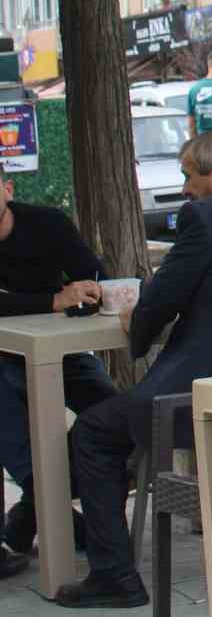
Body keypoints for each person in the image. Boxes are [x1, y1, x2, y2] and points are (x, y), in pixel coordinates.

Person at [56, 132, 212, 608]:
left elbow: (157, 304)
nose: (185, 188)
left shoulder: (205, 219)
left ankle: (114, 577)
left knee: (92, 431)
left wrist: (136, 322)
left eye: (189, 175)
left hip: (202, 396)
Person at [0, 180, 114, 575]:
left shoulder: (47, 223)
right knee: (14, 429)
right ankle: (56, 516)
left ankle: (31, 515)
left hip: (56, 349)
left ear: (7, 189)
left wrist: (91, 289)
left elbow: (92, 272)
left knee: (115, 415)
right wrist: (52, 300)